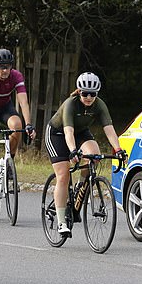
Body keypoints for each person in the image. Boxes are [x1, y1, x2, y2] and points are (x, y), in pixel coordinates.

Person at [44, 72, 126, 234]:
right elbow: (68, 132)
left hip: (81, 132)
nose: (88, 97)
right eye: (85, 93)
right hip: (58, 134)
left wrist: (118, 150)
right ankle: (62, 222)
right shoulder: (71, 104)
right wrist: (73, 151)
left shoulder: (100, 105)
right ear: (79, 91)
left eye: (92, 94)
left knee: (94, 156)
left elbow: (109, 130)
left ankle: (80, 187)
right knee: (63, 174)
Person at [0, 48, 36, 214]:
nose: (5, 71)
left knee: (17, 125)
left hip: (4, 107)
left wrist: (29, 124)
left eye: (8, 67)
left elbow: (23, 102)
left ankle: (9, 161)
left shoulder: (16, 76)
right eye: (2, 67)